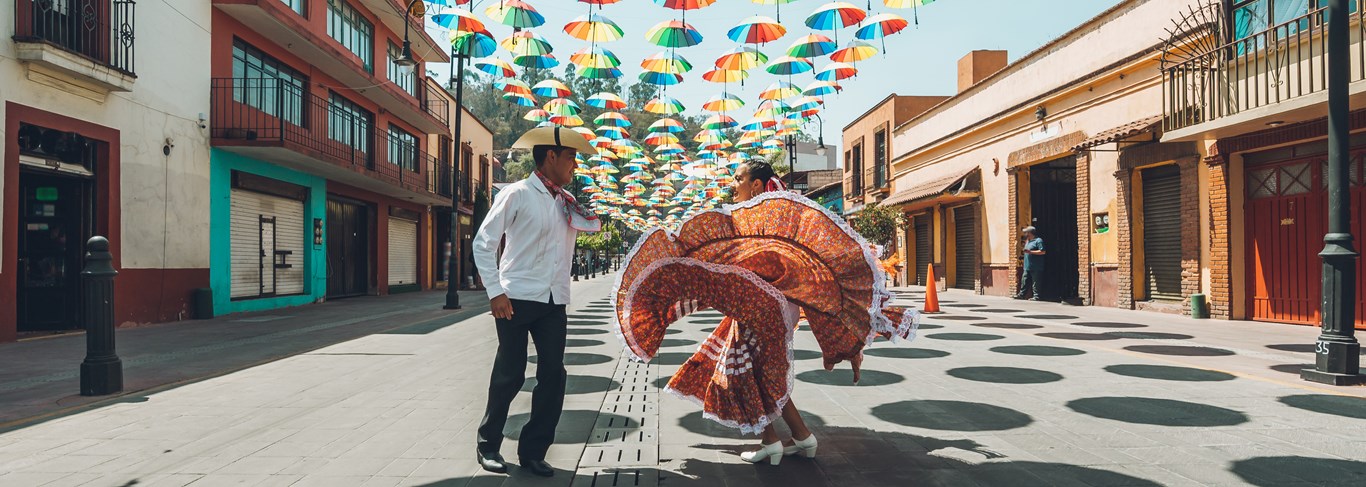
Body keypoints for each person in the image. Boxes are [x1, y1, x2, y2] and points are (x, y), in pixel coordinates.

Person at [613, 159, 918, 467]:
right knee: (757, 371)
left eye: (738, 179)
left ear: (755, 184)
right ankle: (800, 437)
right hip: (769, 307)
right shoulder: (768, 218)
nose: (733, 186)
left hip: (764, 307)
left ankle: (772, 441)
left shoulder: (761, 218)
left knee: (745, 371)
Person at [471, 127, 599, 478]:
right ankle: (488, 445)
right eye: (570, 156)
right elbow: (484, 243)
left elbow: (589, 231)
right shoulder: (517, 194)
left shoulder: (566, 203)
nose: (575, 163)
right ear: (551, 156)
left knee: (553, 377)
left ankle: (533, 451)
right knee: (510, 374)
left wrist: (581, 208)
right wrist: (495, 291)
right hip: (514, 298)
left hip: (554, 300)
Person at [1016, 226, 1046, 300]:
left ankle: (1036, 296)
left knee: (1036, 282)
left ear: (1029, 233)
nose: (1025, 233)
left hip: (1036, 266)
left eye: (1026, 232)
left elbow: (1042, 251)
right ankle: (1021, 295)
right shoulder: (1027, 241)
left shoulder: (1038, 241)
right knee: (1024, 281)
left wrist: (1030, 252)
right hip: (1027, 265)